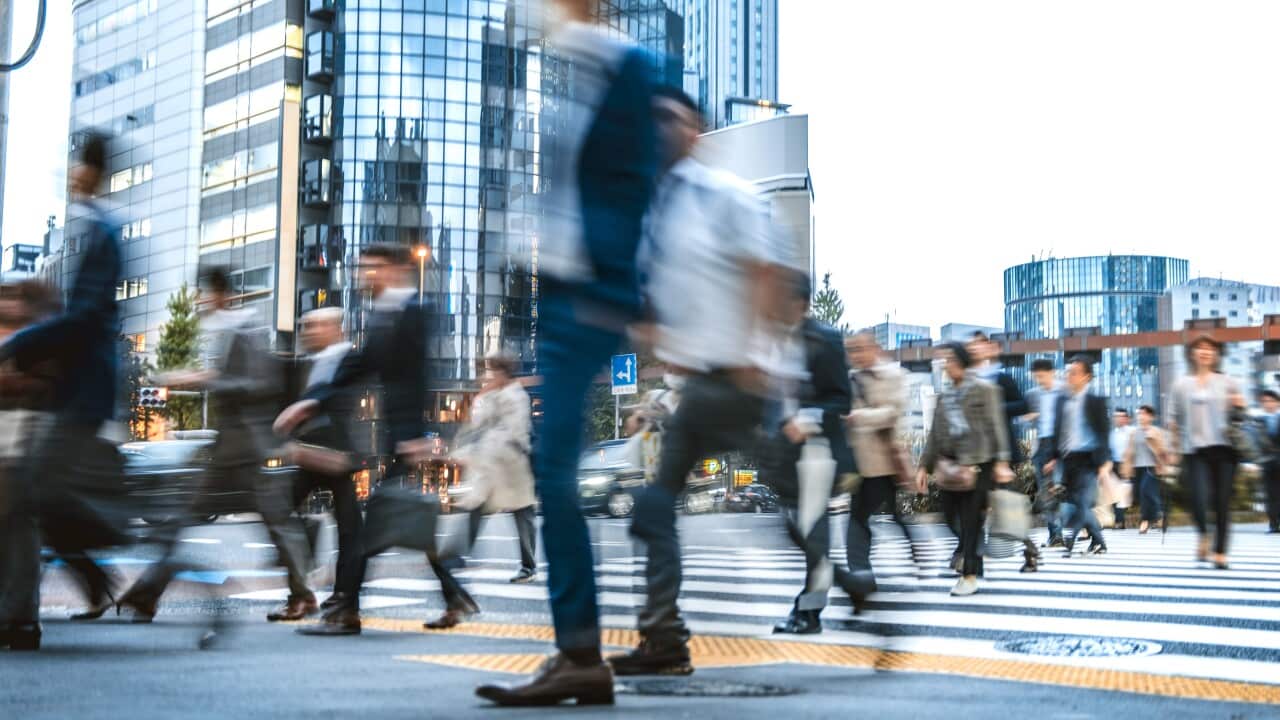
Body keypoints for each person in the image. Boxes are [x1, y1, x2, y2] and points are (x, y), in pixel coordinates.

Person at [472, 1, 658, 705]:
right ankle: (578, 651)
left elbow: (638, 186)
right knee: (554, 474)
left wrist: (623, 294)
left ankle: (580, 651)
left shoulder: (627, 67)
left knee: (551, 471)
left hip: (593, 297)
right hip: (563, 296)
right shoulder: (572, 71)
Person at [607, 86, 782, 675]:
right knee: (655, 506)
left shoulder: (728, 195)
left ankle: (845, 575)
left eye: (671, 118)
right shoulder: (659, 211)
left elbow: (763, 272)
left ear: (697, 130)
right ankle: (664, 640)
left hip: (744, 380)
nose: (659, 127)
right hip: (700, 387)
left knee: (795, 499)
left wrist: (755, 355)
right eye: (651, 117)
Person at [116, 268, 313, 623]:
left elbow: (259, 385)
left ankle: (303, 595)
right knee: (182, 520)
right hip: (228, 453)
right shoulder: (221, 330)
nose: (200, 300)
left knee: (276, 524)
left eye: (204, 293)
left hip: (249, 451)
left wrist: (205, 380)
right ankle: (146, 595)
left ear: (220, 294)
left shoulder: (245, 329)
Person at [0, 132, 125, 650]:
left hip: (84, 391)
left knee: (29, 499)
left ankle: (28, 615)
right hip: (76, 392)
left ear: (92, 172)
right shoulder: (89, 232)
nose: (71, 176)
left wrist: (20, 344)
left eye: (77, 167)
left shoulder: (103, 232)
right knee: (28, 499)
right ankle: (32, 610)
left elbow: (86, 318)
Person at [275, 243, 430, 635]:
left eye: (371, 268)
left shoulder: (410, 312)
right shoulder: (384, 313)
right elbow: (364, 367)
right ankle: (346, 606)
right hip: (394, 439)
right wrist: (310, 403)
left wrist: (415, 436)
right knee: (361, 532)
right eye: (362, 268)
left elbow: (417, 378)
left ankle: (345, 610)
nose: (364, 275)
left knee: (364, 535)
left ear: (394, 269)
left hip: (400, 439)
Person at [763, 273, 857, 635]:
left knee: (813, 534)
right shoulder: (776, 341)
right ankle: (851, 586)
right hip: (786, 455)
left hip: (818, 451)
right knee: (794, 528)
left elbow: (842, 398)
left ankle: (809, 613)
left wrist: (807, 418)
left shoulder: (826, 338)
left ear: (800, 303)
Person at [423, 353, 537, 630]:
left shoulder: (516, 396)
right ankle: (458, 556)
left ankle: (528, 564)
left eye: (492, 371)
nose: (487, 376)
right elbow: (475, 428)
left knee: (522, 512)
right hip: (488, 468)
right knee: (476, 509)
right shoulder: (486, 397)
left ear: (504, 372)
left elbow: (513, 432)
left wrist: (467, 453)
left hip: (510, 465)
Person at [284, 307, 362, 620]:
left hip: (336, 455)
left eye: (315, 326)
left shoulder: (348, 357)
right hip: (312, 453)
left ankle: (339, 597)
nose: (308, 332)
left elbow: (338, 401)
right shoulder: (313, 361)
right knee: (281, 515)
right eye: (305, 326)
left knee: (349, 531)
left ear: (334, 327)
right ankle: (303, 594)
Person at [917, 343, 1014, 597]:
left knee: (970, 520)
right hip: (949, 466)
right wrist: (922, 467)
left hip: (978, 463)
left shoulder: (985, 390)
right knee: (950, 515)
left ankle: (969, 575)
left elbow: (997, 426)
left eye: (949, 360)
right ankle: (974, 552)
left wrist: (1002, 461)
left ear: (960, 362)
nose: (946, 366)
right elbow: (934, 436)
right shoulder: (944, 397)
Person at [843, 331, 920, 612]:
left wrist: (857, 417)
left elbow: (892, 413)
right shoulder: (850, 378)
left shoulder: (894, 375)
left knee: (892, 516)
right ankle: (861, 577)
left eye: (861, 348)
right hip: (858, 463)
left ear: (875, 348)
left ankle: (913, 548)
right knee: (858, 520)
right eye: (852, 350)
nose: (857, 354)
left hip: (886, 461)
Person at [1168, 335, 1245, 568]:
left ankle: (1220, 551)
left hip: (1225, 450)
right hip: (1195, 451)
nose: (1205, 352)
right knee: (1197, 500)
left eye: (1210, 348)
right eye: (1200, 348)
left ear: (1216, 355)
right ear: (1192, 354)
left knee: (1222, 502)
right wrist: (1172, 449)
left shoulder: (1228, 382)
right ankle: (1204, 534)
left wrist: (1239, 405)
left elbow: (1241, 416)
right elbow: (1174, 420)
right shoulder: (1181, 385)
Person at [1044, 355, 1112, 557]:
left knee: (1082, 502)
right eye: (1068, 372)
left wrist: (1104, 463)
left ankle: (1070, 542)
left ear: (1086, 377)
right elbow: (1058, 432)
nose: (1069, 376)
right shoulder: (1061, 401)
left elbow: (1103, 433)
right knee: (1075, 503)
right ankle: (1098, 542)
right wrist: (1053, 457)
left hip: (1089, 459)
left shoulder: (1095, 401)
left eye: (1074, 373)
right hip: (1068, 459)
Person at [1025, 358, 1064, 547]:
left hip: (1062, 445)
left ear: (1052, 372)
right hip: (1041, 445)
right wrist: (1030, 417)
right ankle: (1055, 534)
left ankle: (1087, 525)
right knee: (1046, 492)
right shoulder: (1033, 394)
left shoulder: (1064, 391)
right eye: (1036, 377)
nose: (1039, 380)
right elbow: (1023, 418)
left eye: (1042, 376)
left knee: (1062, 489)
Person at [1121, 405, 1170, 534]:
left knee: (1146, 491)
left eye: (1144, 414)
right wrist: (1125, 468)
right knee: (1143, 495)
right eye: (1139, 413)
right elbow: (1129, 451)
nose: (1141, 416)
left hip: (1152, 467)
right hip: (1137, 468)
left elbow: (1162, 451)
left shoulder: (1156, 431)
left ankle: (1148, 520)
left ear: (1151, 417)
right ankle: (1157, 515)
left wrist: (1152, 439)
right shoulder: (1134, 433)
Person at [1108, 408, 1135, 529]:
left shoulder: (1132, 432)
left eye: (1121, 416)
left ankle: (1152, 518)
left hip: (1128, 464)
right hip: (1114, 464)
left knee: (1126, 493)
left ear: (1127, 418)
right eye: (1116, 416)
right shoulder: (1112, 434)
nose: (1118, 419)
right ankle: (1119, 520)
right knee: (1115, 493)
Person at [1260, 390, 1280, 534]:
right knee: (1270, 494)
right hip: (1267, 463)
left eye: (1270, 401)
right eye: (1265, 401)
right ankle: (1273, 524)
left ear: (1277, 403)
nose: (1268, 404)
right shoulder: (1258, 421)